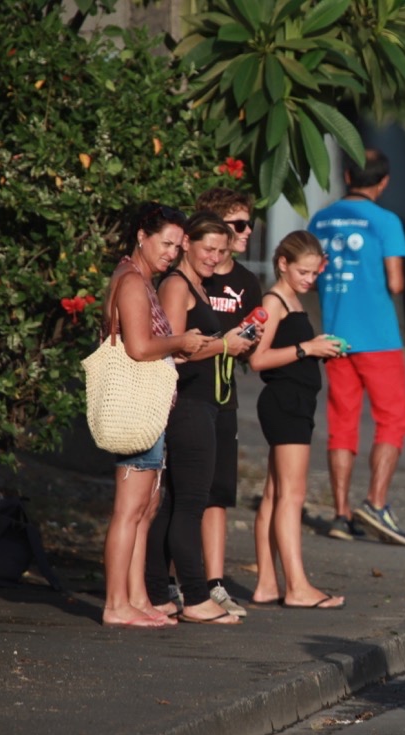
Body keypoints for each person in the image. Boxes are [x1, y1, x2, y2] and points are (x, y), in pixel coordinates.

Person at [98, 203, 209, 628]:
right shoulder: (130, 280)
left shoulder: (143, 279)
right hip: (135, 404)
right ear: (141, 236)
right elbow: (139, 347)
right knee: (130, 508)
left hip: (152, 404)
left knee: (146, 506)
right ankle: (115, 604)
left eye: (177, 246)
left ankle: (137, 597)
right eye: (166, 244)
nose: (172, 253)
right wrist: (181, 341)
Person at [146, 212, 255, 625]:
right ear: (187, 244)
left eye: (222, 252)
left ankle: (159, 592)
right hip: (188, 404)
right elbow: (172, 348)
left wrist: (229, 343)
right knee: (190, 504)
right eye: (208, 248)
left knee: (174, 503)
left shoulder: (198, 286)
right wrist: (224, 346)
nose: (214, 258)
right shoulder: (177, 284)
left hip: (203, 403)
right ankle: (194, 596)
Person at [309, 149, 405, 546]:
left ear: (348, 175)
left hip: (335, 335)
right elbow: (397, 283)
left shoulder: (320, 219)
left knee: (342, 422)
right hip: (378, 337)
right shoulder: (385, 221)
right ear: (383, 182)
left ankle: (339, 514)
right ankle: (375, 503)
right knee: (392, 419)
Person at [248, 232, 346, 609]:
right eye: (302, 271)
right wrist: (308, 348)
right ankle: (298, 587)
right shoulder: (274, 301)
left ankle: (267, 584)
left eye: (314, 273)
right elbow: (258, 359)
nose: (309, 279)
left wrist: (316, 348)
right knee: (293, 495)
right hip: (285, 403)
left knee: (275, 495)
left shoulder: (291, 299)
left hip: (294, 401)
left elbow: (288, 351)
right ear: (282, 263)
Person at [195, 188, 263, 618]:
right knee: (184, 491)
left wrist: (250, 340)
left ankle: (215, 582)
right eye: (238, 224)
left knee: (219, 493)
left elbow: (252, 353)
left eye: (248, 223)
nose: (247, 231)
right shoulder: (191, 278)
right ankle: (175, 580)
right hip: (187, 391)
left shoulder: (246, 281)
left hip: (224, 395)